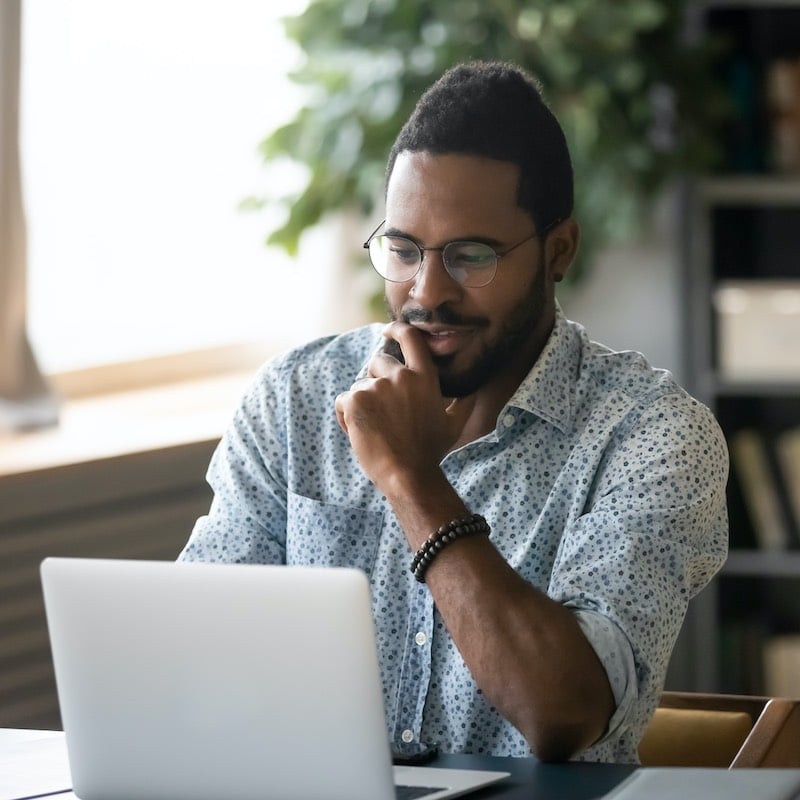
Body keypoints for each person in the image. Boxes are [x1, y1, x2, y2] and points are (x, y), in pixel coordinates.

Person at [179, 60, 728, 763]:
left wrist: (411, 480)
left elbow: (564, 713)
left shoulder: (652, 436)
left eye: (471, 255)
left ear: (558, 250)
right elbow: (194, 661)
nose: (427, 290)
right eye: (403, 250)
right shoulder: (295, 400)